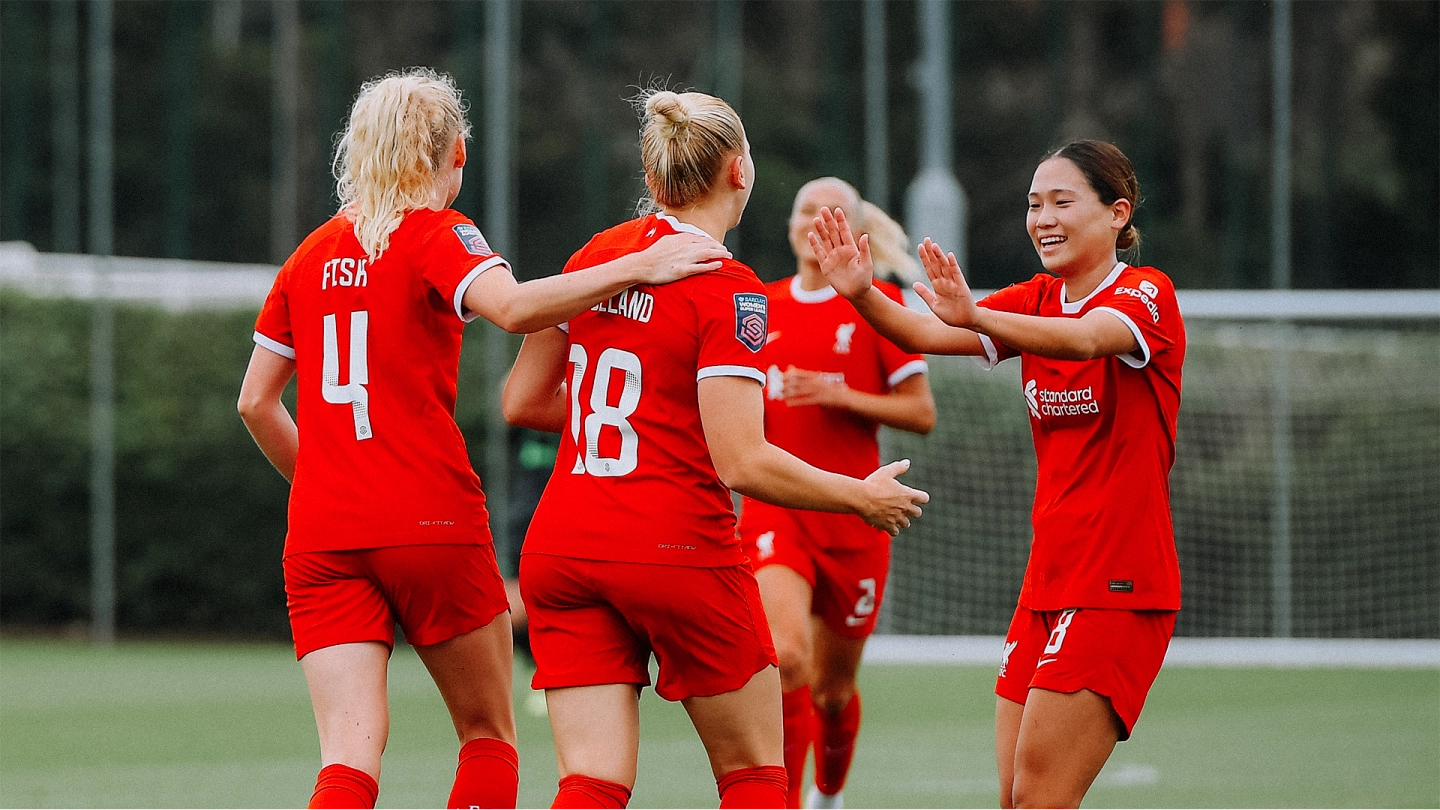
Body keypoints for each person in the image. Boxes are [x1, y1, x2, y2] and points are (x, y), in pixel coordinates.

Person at [236, 68, 728, 810]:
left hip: (322, 532)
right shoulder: (437, 232)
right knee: (487, 735)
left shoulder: (307, 256)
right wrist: (640, 264)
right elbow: (515, 308)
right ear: (456, 154)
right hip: (426, 519)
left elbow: (254, 402)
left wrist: (328, 481)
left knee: (346, 759)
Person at [500, 89, 930, 810]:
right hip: (673, 549)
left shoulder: (596, 256)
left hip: (566, 546)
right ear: (740, 172)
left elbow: (522, 402)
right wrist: (860, 494)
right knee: (756, 775)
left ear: (650, 170)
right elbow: (742, 462)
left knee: (592, 782)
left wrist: (640, 425)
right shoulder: (731, 290)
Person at [810, 140, 1185, 810]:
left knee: (1041, 797)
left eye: (1063, 201)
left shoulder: (1145, 294)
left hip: (1120, 583)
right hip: (1048, 581)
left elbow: (1088, 339)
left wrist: (978, 314)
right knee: (1014, 796)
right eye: (1034, 203)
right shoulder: (1036, 299)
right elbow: (922, 334)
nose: (1042, 216)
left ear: (1116, 213)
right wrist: (860, 292)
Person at [737, 177, 936, 810]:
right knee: (787, 660)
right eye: (802, 210)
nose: (812, 222)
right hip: (778, 509)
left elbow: (921, 411)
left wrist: (838, 393)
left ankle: (829, 793)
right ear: (789, 224)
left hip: (856, 516)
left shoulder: (876, 307)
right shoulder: (756, 307)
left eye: (829, 213)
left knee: (831, 690)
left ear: (852, 230)